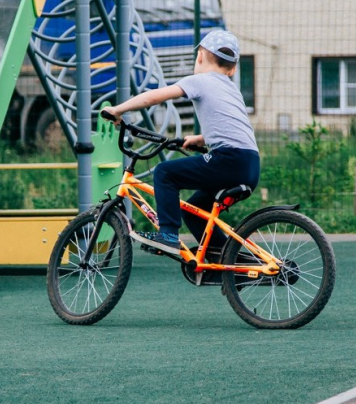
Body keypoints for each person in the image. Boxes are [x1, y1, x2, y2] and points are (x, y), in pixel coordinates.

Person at [101, 29, 259, 256]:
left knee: (165, 172)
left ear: (201, 56)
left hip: (228, 159)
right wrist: (201, 139)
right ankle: (226, 258)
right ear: (232, 68)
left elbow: (154, 96)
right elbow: (234, 127)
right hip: (249, 164)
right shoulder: (231, 89)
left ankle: (167, 235)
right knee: (195, 211)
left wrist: (117, 109)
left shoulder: (200, 81)